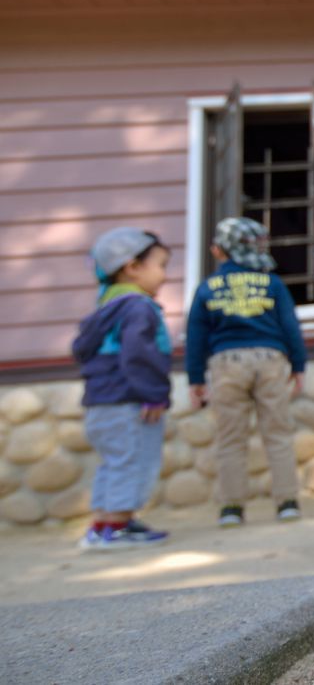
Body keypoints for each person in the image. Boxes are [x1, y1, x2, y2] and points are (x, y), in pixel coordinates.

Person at [186, 217, 306, 528]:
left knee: (231, 438)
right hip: (270, 358)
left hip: (227, 363)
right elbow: (290, 326)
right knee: (277, 432)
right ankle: (287, 502)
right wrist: (299, 365)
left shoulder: (208, 287)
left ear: (218, 251)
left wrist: (195, 379)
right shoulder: (272, 284)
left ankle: (232, 508)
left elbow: (196, 334)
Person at [72, 228, 173, 552]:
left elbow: (84, 350)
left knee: (113, 462)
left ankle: (103, 523)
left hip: (100, 402)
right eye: (161, 265)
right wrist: (154, 393)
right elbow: (139, 354)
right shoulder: (138, 308)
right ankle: (116, 527)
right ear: (132, 268)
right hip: (129, 400)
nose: (164, 275)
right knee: (133, 461)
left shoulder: (104, 309)